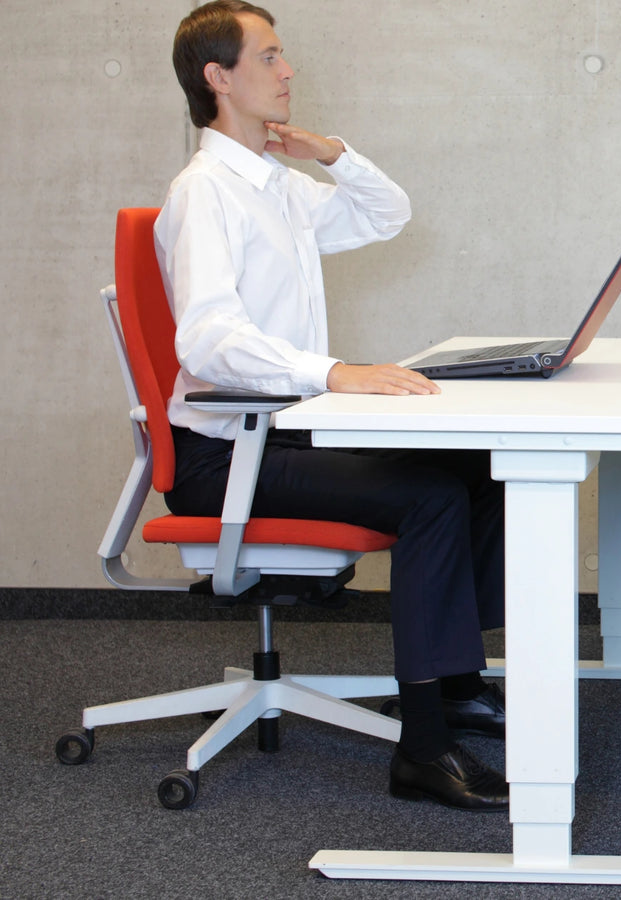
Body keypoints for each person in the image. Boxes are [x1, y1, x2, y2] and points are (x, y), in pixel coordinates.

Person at [156, 1, 510, 811]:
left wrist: (331, 154)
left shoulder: (276, 186)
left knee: (475, 466)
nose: (289, 72)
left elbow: (386, 214)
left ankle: (455, 682)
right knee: (427, 499)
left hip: (286, 438)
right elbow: (207, 340)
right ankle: (423, 748)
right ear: (219, 78)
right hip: (228, 460)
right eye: (270, 57)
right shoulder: (205, 192)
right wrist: (332, 371)